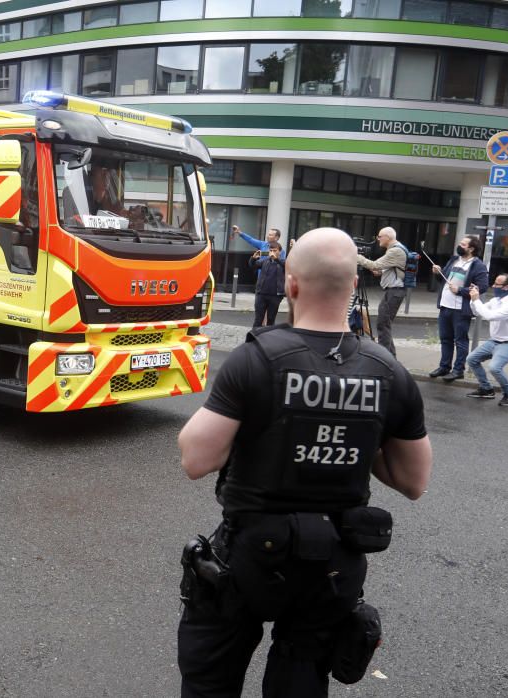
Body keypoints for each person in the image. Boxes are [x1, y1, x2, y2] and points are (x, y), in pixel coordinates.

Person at [176, 227, 432, 697]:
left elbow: (196, 458)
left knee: (210, 680)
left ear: (290, 284)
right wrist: (359, 432)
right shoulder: (389, 371)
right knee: (301, 681)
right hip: (334, 565)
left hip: (252, 555)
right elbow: (414, 480)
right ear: (355, 285)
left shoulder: (256, 358)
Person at [428, 235, 489, 382]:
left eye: (463, 244)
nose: (459, 246)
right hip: (445, 305)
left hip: (460, 310)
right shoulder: (454, 259)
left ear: (471, 248)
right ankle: (444, 367)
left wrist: (460, 290)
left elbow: (483, 287)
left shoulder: (477, 265)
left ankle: (458, 370)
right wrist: (437, 273)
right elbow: (444, 280)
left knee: (460, 340)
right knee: (445, 339)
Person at [464, 274, 508, 406]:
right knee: (471, 359)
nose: (493, 286)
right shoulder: (496, 300)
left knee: (494, 367)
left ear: (507, 287)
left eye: (497, 284)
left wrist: (476, 299)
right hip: (494, 341)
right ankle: (486, 389)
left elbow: (490, 316)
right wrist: (474, 298)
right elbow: (477, 312)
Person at [355, 226, 407, 356]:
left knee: (382, 324)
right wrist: (380, 271)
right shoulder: (394, 249)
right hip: (393, 291)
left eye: (379, 236)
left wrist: (356, 256)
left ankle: (383, 358)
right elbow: (383, 268)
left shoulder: (395, 251)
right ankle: (391, 357)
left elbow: (374, 265)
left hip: (395, 292)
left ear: (388, 237)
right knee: (385, 325)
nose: (378, 239)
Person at [249, 241, 285, 327]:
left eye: (275, 250)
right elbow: (252, 266)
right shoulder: (265, 261)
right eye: (271, 250)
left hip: (275, 296)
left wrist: (276, 259)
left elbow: (287, 266)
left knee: (271, 320)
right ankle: (254, 338)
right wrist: (253, 258)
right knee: (258, 319)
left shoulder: (283, 262)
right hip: (261, 294)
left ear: (279, 251)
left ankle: (268, 338)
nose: (272, 252)